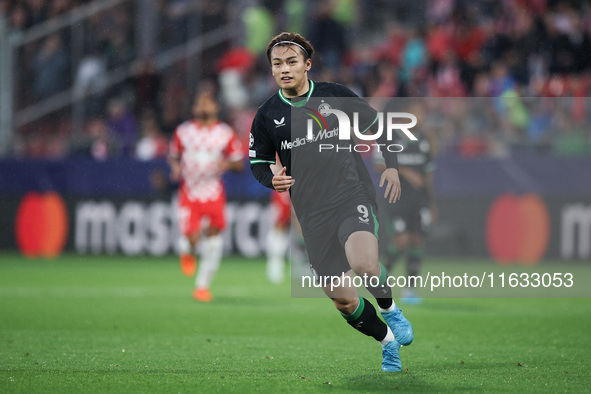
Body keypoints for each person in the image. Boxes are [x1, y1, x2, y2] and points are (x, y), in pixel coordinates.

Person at [249, 32, 413, 372]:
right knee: (343, 299)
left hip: (351, 194)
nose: (284, 69)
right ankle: (387, 342)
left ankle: (390, 308)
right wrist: (271, 178)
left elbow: (378, 126)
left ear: (307, 65)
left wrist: (392, 168)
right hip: (312, 213)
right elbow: (258, 161)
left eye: (292, 62)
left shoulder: (334, 95)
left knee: (365, 263)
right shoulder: (267, 115)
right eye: (277, 64)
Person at [169, 92, 244, 302]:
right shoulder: (183, 131)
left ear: (215, 108)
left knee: (214, 240)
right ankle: (187, 249)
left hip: (213, 191)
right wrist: (175, 168)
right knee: (192, 237)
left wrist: (226, 164)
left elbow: (238, 163)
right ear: (193, 109)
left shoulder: (225, 133)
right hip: (189, 191)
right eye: (199, 102)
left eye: (207, 102)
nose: (203, 106)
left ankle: (202, 286)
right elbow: (174, 156)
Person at [374, 128, 436, 304]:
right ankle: (380, 281)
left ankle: (410, 289)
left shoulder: (424, 140)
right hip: (397, 198)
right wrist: (406, 172)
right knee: (401, 240)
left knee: (417, 241)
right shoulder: (390, 138)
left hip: (419, 200)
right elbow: (379, 165)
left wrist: (431, 203)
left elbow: (429, 173)